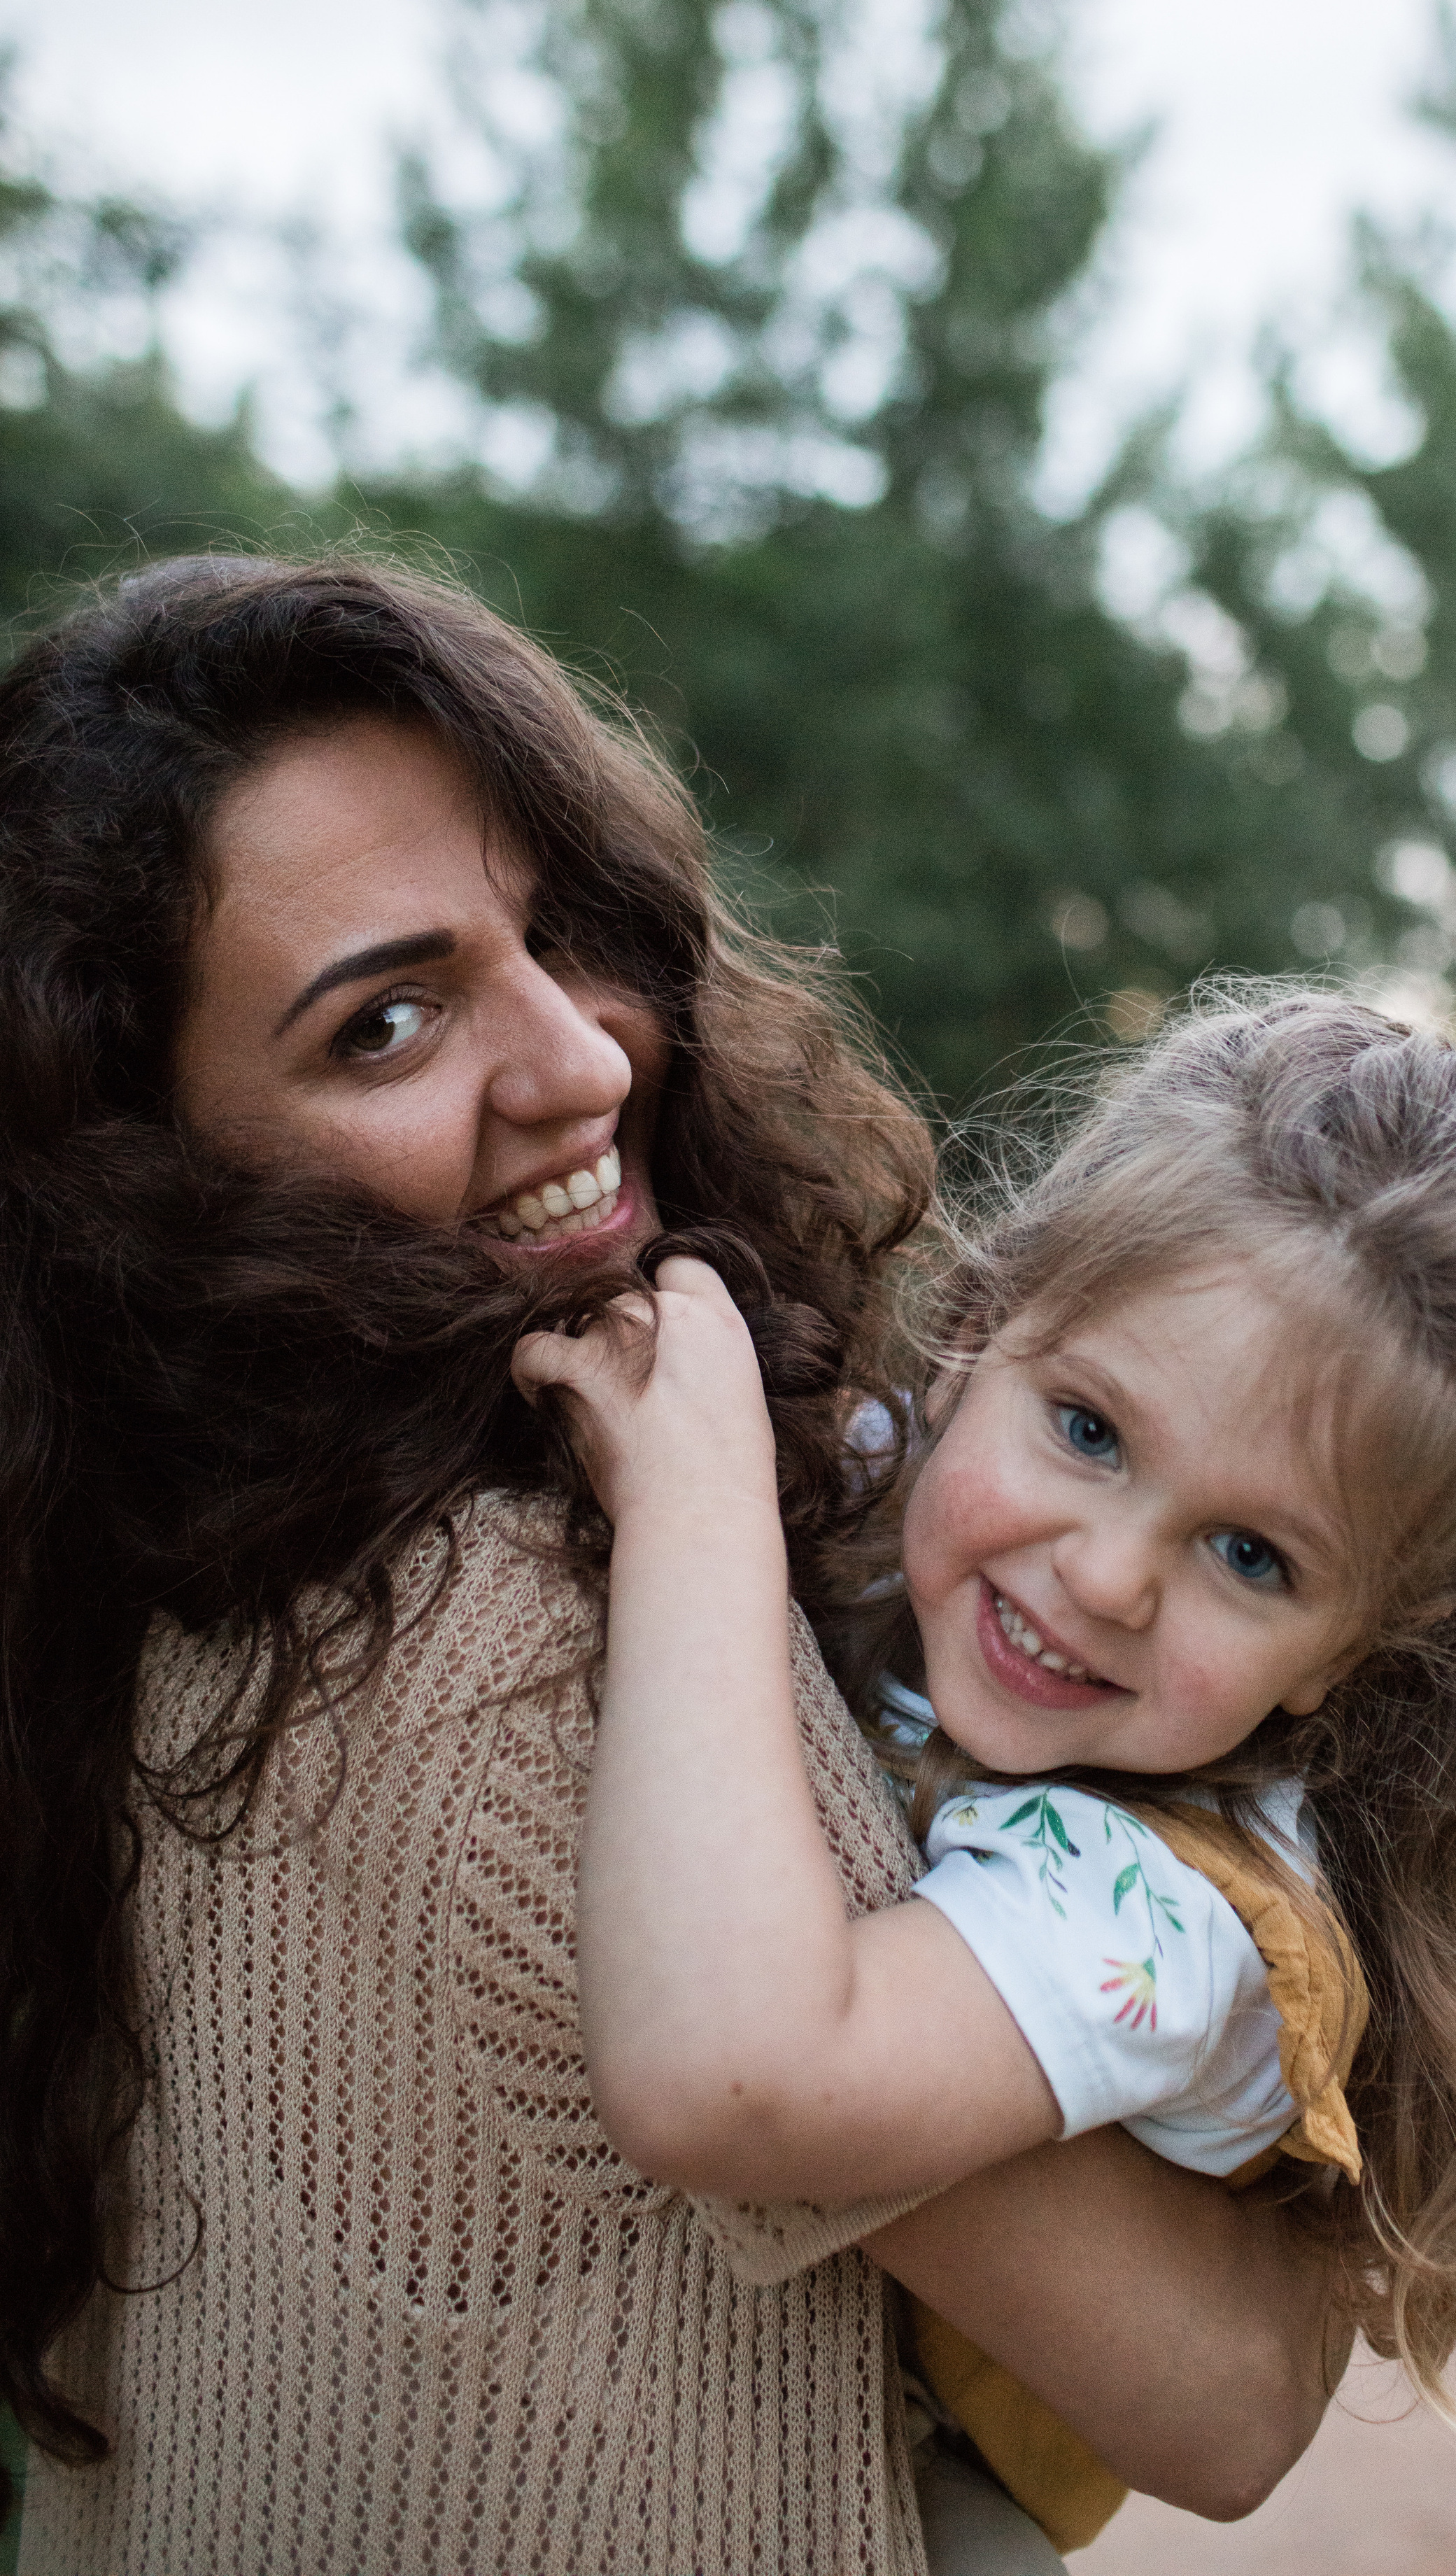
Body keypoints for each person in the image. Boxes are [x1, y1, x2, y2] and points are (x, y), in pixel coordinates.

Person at [0, 556, 1344, 2576]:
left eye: (553, 932)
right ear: (137, 1165)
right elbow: (1227, 2395)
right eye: (388, 1023)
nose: (585, 1062)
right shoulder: (548, 1659)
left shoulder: (111, 1587)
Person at [516, 990, 1456, 2556]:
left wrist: (694, 1510)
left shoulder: (1154, 1906)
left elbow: (733, 2077)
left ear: (1341, 1654)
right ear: (976, 1333)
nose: (1108, 1575)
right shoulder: (877, 1481)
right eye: (1090, 1429)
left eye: (1249, 1554)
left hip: (903, 2503)